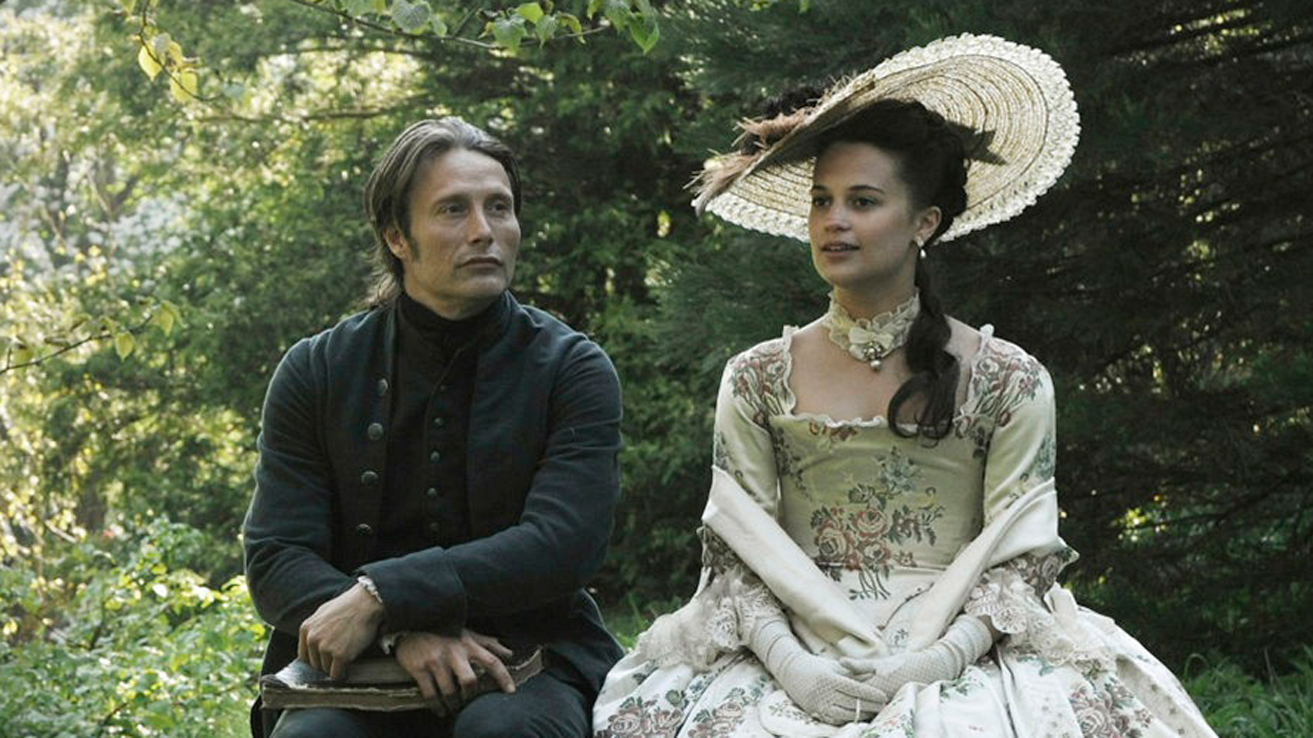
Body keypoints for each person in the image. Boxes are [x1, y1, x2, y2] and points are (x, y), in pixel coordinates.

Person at [592, 34, 1218, 737]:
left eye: (862, 201)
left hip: (964, 644)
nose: (833, 221)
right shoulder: (757, 378)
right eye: (822, 200)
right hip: (788, 646)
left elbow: (1019, 559)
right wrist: (791, 666)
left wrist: (932, 663)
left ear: (924, 222)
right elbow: (739, 555)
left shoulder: (1008, 380)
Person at [243, 116, 624, 738]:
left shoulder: (571, 367)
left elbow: (564, 543)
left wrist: (382, 596)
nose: (483, 231)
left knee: (503, 733)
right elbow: (276, 556)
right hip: (354, 661)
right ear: (397, 235)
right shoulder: (316, 370)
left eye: (498, 207)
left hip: (533, 652)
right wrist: (395, 630)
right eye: (453, 210)